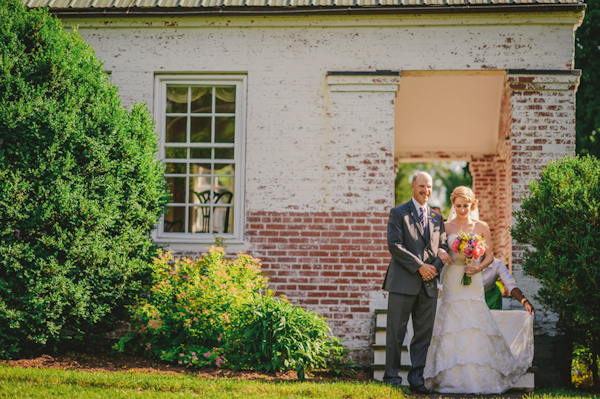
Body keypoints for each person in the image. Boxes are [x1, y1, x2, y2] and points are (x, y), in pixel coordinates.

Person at [424, 186, 533, 394]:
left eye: (466, 205)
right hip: (453, 279)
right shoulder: (445, 225)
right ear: (453, 205)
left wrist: (478, 267)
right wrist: (440, 251)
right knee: (452, 321)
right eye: (458, 206)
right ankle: (450, 376)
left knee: (475, 321)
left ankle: (480, 375)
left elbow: (490, 255)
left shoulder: (481, 226)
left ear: (472, 204)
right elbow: (436, 247)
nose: (462, 209)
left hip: (472, 279)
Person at [382, 172, 448, 394]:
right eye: (421, 186)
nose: (425, 190)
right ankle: (391, 378)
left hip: (428, 286)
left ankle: (416, 380)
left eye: (429, 187)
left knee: (422, 336)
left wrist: (435, 268)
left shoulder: (437, 218)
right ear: (413, 186)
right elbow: (395, 245)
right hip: (402, 283)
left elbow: (445, 248)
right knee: (395, 333)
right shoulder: (398, 212)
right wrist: (420, 266)